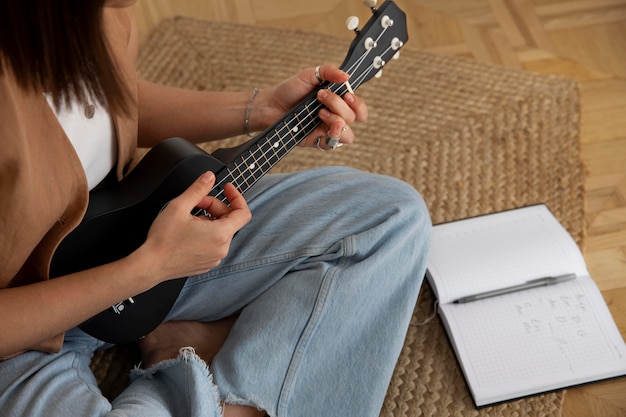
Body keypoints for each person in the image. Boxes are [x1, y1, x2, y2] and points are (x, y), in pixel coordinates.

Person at [0, 1, 431, 416]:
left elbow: (111, 100)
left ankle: (184, 359)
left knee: (393, 218)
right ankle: (202, 382)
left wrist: (262, 108)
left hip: (133, 224)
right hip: (22, 339)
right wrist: (150, 267)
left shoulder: (102, 12)